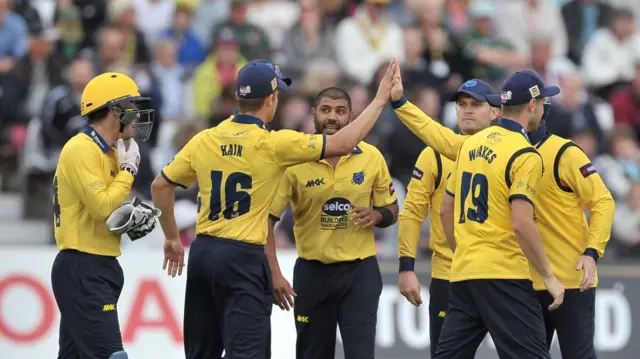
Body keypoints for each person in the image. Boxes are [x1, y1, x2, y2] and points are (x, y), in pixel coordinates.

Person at [150, 58, 399, 359]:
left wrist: (172, 238)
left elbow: (160, 186)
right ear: (271, 99)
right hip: (244, 255)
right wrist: (381, 98)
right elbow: (343, 143)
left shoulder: (205, 139)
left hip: (203, 253)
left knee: (202, 353)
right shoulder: (274, 143)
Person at [435, 70, 566, 358]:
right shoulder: (524, 153)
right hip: (504, 273)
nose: (544, 107)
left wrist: (464, 251)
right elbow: (521, 222)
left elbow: (446, 209)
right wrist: (548, 275)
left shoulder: (470, 144)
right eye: (543, 101)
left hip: (464, 272)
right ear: (532, 105)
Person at [266, 87, 399, 359]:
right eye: (326, 110)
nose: (332, 118)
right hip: (313, 273)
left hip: (359, 272)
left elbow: (392, 209)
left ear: (351, 117)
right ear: (314, 114)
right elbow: (266, 222)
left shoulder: (371, 157)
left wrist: (376, 216)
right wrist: (275, 274)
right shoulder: (295, 160)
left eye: (340, 112)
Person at [50, 72, 155, 359]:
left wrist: (129, 217)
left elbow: (102, 213)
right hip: (83, 267)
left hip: (98, 264)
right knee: (112, 356)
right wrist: (128, 172)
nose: (137, 114)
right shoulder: (81, 148)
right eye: (131, 106)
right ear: (113, 109)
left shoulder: (109, 152)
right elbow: (102, 207)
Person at [397, 79, 499, 357]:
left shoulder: (508, 153)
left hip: (500, 273)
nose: (466, 110)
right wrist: (406, 267)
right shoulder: (434, 156)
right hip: (450, 275)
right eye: (461, 104)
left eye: (475, 104)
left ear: (495, 112)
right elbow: (412, 212)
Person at [515, 96, 615, 358]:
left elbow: (603, 202)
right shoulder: (506, 152)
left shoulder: (565, 153)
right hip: (526, 281)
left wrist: (592, 252)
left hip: (572, 280)